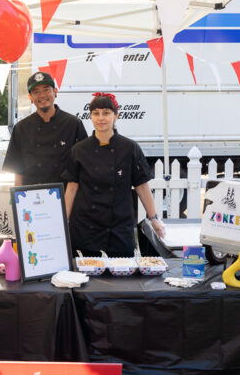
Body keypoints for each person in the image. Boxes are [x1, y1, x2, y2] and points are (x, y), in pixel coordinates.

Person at [63, 92, 165, 257]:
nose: (101, 118)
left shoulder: (129, 148)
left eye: (106, 113)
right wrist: (64, 221)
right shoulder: (79, 150)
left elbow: (141, 186)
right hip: (86, 226)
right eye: (96, 113)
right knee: (87, 277)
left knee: (121, 277)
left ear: (115, 116)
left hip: (119, 226)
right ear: (90, 116)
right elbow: (72, 188)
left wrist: (154, 218)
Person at [2, 71, 87, 185]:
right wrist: (17, 199)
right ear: (30, 97)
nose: (42, 95)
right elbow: (18, 172)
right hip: (31, 197)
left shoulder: (73, 124)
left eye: (46, 89)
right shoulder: (21, 129)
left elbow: (83, 167)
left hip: (66, 197)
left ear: (55, 92)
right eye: (36, 92)